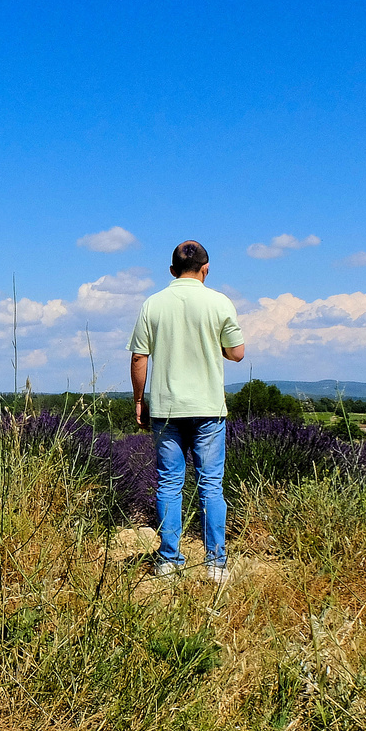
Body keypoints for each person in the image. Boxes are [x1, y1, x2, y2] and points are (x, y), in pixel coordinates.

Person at [128, 240, 245, 583]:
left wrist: (139, 400)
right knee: (211, 486)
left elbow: (139, 358)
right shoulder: (220, 302)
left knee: (168, 484)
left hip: (166, 408)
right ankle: (215, 564)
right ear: (206, 269)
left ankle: (169, 560)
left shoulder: (153, 304)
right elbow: (236, 353)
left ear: (171, 270)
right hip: (208, 407)